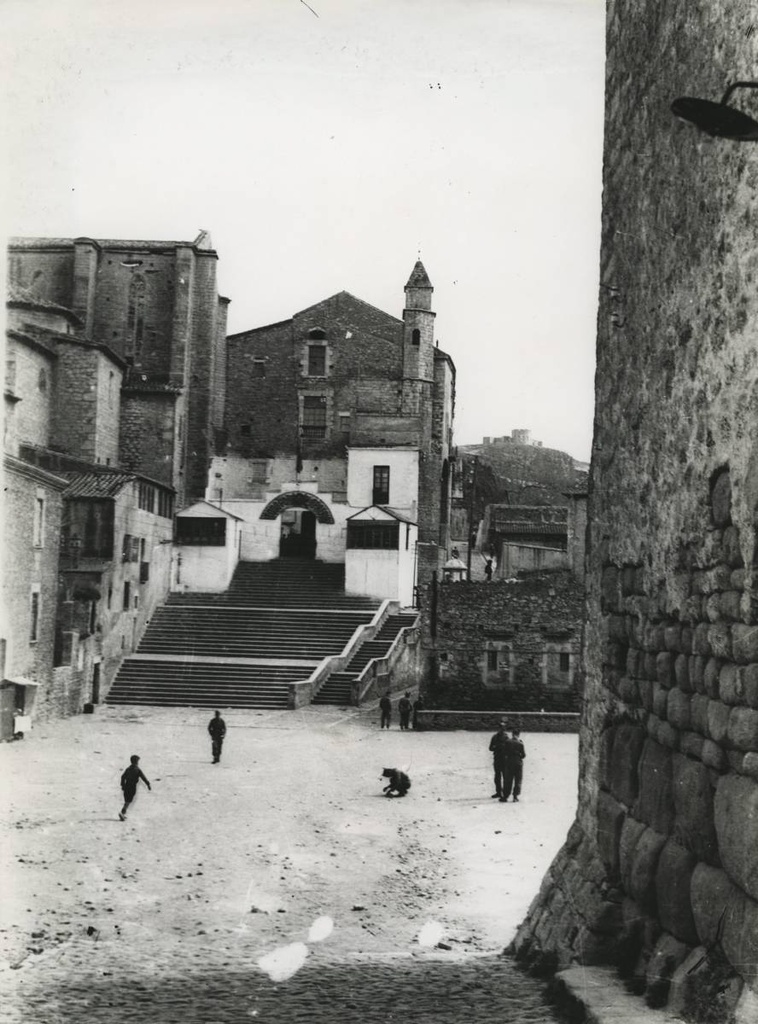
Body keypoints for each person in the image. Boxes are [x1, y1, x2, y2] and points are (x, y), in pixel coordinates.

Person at [119, 755, 151, 820]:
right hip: (132, 787)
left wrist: (123, 785)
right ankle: (122, 813)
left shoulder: (128, 769)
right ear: (136, 762)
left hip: (127, 786)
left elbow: (123, 777)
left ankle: (123, 813)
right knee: (128, 801)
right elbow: (143, 777)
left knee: (127, 800)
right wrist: (148, 784)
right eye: (138, 761)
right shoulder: (137, 769)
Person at [488, 720, 508, 800]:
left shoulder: (506, 738)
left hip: (504, 759)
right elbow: (490, 748)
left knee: (505, 776)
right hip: (497, 758)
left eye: (503, 728)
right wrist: (496, 748)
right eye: (501, 728)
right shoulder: (494, 737)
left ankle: (504, 793)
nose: (502, 730)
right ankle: (498, 792)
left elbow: (509, 748)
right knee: (497, 776)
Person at [511, 729, 526, 801]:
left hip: (509, 763)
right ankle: (515, 796)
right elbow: (523, 755)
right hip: (518, 763)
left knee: (508, 779)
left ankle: (505, 795)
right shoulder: (520, 743)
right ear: (519, 734)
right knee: (518, 780)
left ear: (512, 734)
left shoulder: (507, 742)